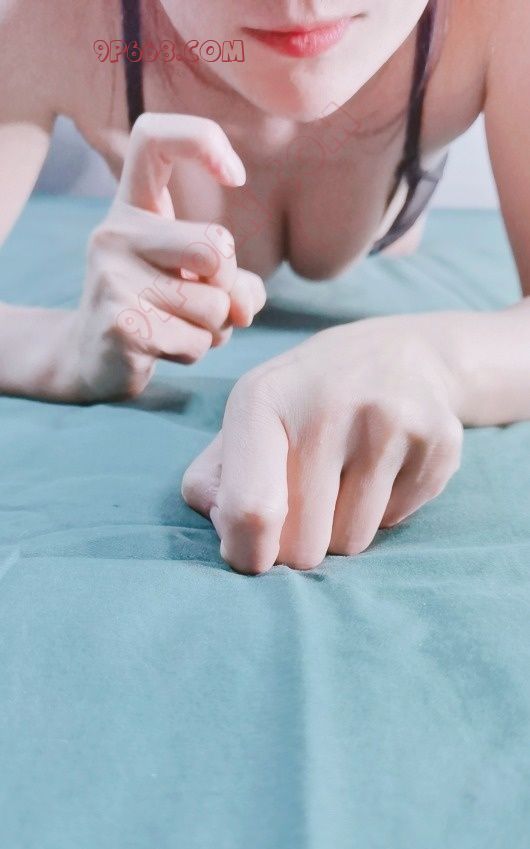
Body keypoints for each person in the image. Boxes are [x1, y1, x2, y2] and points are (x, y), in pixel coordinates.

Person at [1, 0, 529, 574]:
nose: (302, 6)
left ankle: (400, 218)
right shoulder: (52, 19)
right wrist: (65, 349)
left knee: (396, 239)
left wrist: (426, 358)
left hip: (387, 206)